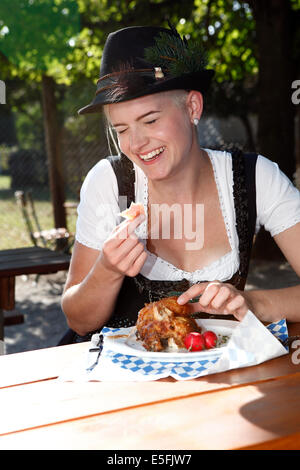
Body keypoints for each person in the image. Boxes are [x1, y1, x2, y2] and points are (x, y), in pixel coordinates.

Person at [61, 24, 300, 342]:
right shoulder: (108, 183)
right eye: (121, 129)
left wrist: (253, 302)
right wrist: (107, 270)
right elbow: (77, 321)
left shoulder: (257, 177)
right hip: (118, 384)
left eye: (150, 120)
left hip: (216, 381)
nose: (137, 143)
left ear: (192, 107)